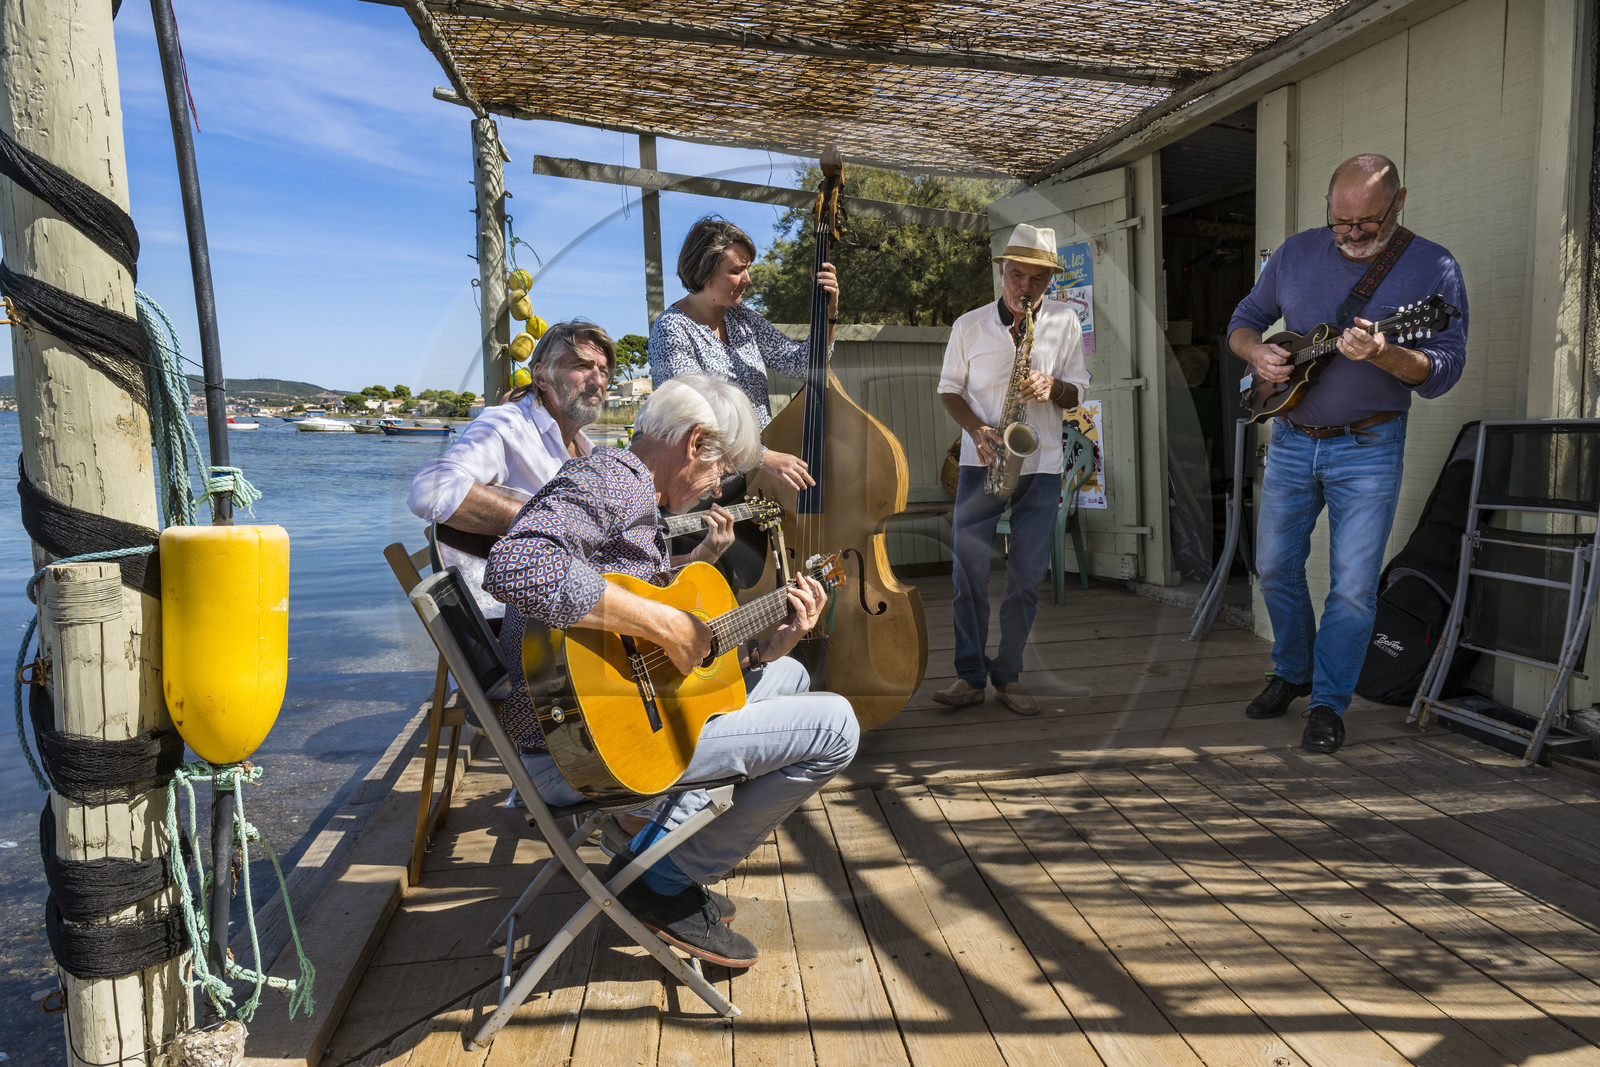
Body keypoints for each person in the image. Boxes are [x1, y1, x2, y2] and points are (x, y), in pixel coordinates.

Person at [482, 374, 858, 969]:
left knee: (790, 679)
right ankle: (661, 874)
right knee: (837, 726)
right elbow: (520, 563)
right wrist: (667, 627)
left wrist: (767, 645)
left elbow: (666, 651)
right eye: (721, 470)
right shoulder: (611, 479)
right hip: (574, 754)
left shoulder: (636, 497)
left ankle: (655, 847)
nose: (718, 490)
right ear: (694, 442)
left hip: (593, 728)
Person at [1229, 154, 1468, 754]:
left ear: (1400, 201)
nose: (1354, 234)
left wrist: (1384, 353)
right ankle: (1293, 669)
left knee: (1354, 588)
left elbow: (1441, 372)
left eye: (1368, 222)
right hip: (1289, 438)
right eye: (1342, 222)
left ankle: (1329, 703)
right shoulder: (1293, 253)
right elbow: (1245, 320)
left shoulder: (1433, 268)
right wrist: (1256, 354)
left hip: (1369, 445)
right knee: (1276, 568)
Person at [407, 318, 732, 559]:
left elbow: (623, 573)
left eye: (604, 371)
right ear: (541, 376)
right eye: (581, 366)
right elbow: (430, 489)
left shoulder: (588, 451)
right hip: (519, 612)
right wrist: (550, 520)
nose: (597, 380)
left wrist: (698, 556)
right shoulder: (509, 423)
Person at [934, 224, 1090, 717]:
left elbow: (1080, 391)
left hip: (1040, 464)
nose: (1025, 286)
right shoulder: (969, 325)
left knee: (1026, 577)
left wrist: (1054, 387)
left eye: (1037, 279)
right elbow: (948, 390)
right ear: (1002, 271)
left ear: (1049, 281)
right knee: (967, 575)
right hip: (984, 462)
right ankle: (969, 675)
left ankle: (1010, 674)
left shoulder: (1065, 321)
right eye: (1017, 274)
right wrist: (978, 430)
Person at [647, 215, 840, 493]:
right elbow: (693, 417)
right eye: (737, 270)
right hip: (704, 487)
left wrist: (828, 314)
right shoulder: (672, 329)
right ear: (704, 270)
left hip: (754, 480)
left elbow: (803, 366)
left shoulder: (742, 318)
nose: (748, 279)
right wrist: (762, 456)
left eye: (748, 268)